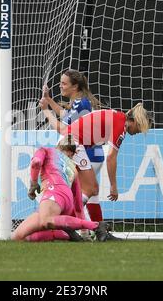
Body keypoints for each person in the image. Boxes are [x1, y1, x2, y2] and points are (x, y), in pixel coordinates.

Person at [41, 100, 151, 203]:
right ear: (134, 121)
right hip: (73, 143)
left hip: (68, 139)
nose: (140, 131)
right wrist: (113, 186)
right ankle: (66, 216)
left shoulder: (118, 117)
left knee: (75, 186)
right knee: (91, 188)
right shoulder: (121, 126)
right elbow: (111, 158)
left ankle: (64, 214)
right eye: (140, 127)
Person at [40, 70, 106, 238]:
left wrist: (46, 111)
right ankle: (97, 231)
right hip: (90, 152)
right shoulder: (80, 102)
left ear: (75, 86)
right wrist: (49, 101)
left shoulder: (80, 104)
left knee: (81, 192)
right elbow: (65, 115)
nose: (60, 86)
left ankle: (68, 224)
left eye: (64, 83)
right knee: (91, 193)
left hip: (85, 152)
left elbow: (62, 128)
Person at [11, 137, 109, 242]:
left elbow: (36, 162)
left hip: (53, 193)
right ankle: (66, 234)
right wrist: (84, 234)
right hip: (66, 201)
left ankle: (96, 226)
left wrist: (33, 184)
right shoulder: (73, 168)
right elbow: (79, 206)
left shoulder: (46, 150)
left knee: (46, 220)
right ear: (72, 153)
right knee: (18, 237)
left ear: (58, 146)